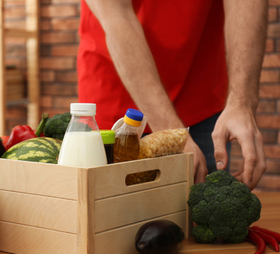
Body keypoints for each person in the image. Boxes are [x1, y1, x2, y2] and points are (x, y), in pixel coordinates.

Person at [77, 0, 267, 189]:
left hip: (201, 98)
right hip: (118, 108)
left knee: (204, 214)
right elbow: (116, 18)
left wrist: (242, 103)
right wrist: (174, 135)